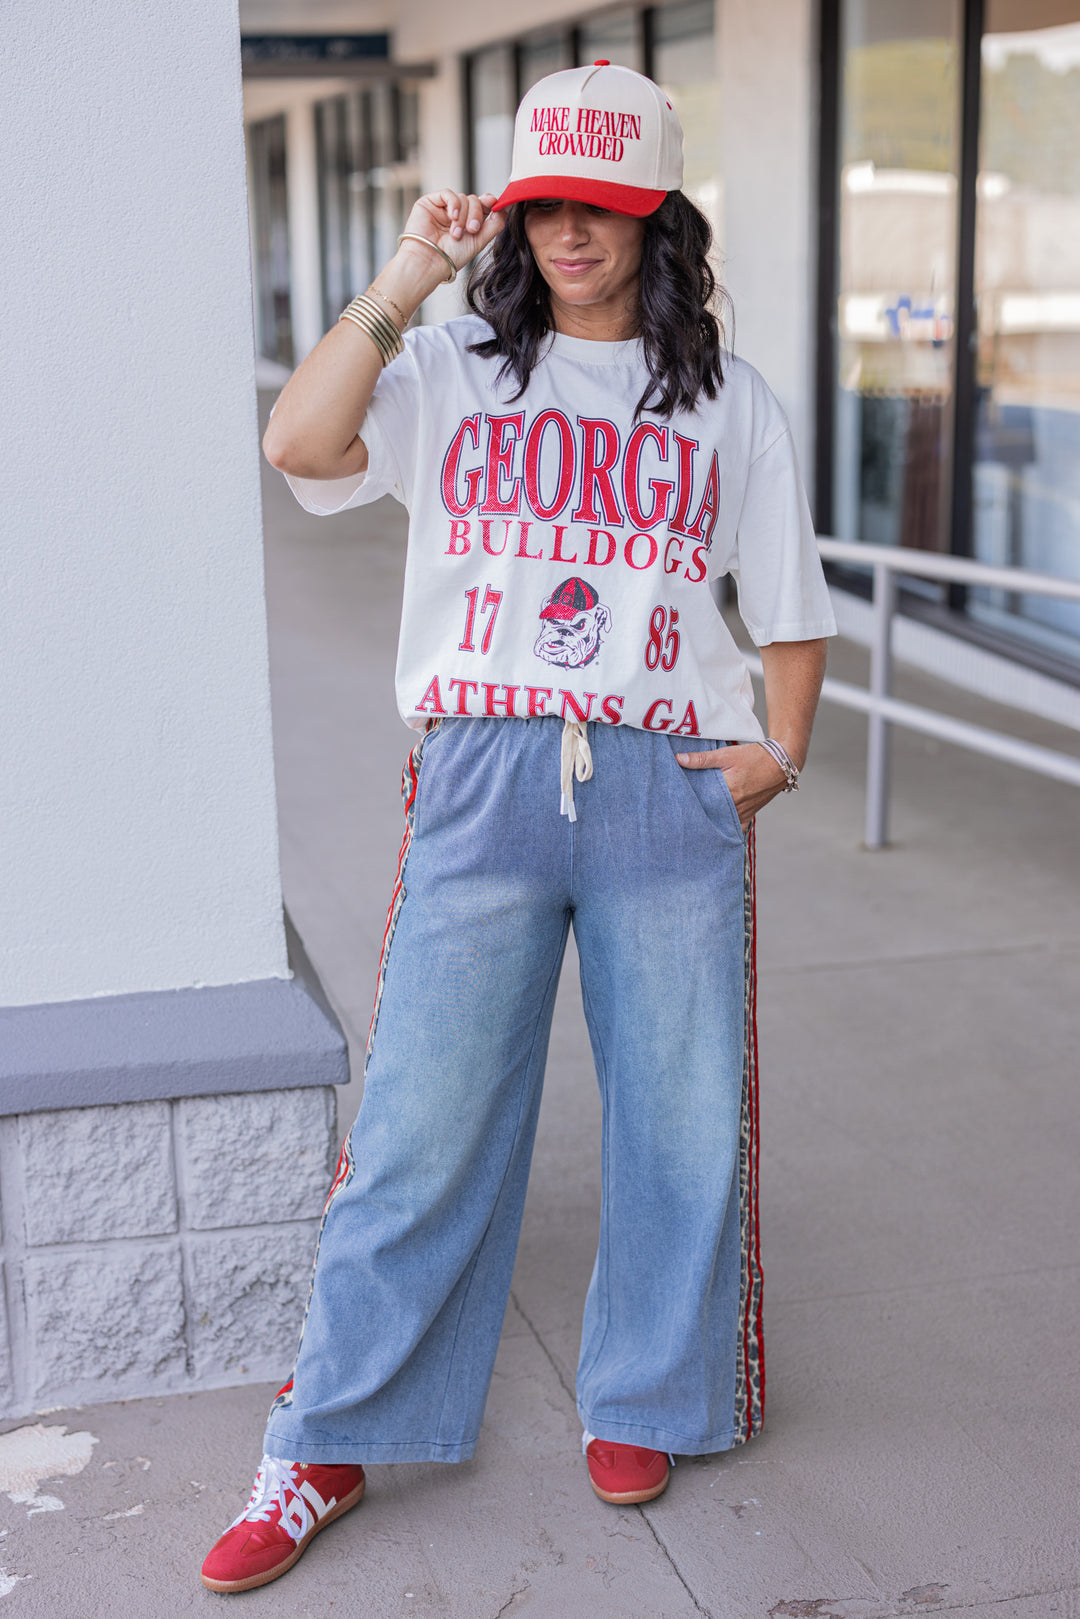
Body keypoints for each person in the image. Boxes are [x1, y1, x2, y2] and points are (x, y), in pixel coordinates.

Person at [201, 61, 836, 1594]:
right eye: (547, 201)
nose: (570, 232)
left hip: (665, 779)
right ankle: (326, 1438)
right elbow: (298, 445)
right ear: (517, 208)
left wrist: (781, 754)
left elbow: (792, 606)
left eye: (604, 209)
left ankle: (645, 1395)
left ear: (659, 221)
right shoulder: (462, 371)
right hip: (486, 772)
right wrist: (409, 275)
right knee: (420, 1126)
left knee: (681, 1118)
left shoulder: (727, 401)